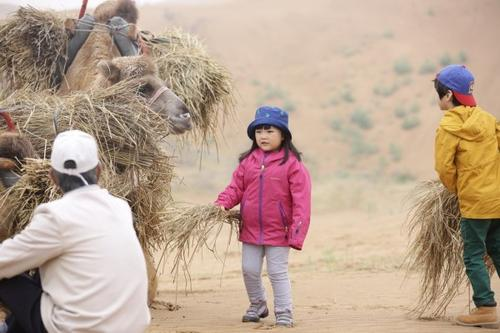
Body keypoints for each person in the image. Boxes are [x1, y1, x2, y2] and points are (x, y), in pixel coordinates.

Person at [0, 130, 150, 333]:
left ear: (52, 176)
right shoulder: (121, 208)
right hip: (133, 326)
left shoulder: (54, 216)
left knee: (10, 275)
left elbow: (4, 261)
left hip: (78, 329)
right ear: (99, 171)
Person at [215, 106, 311, 327]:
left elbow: (302, 203)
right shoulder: (248, 162)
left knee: (277, 272)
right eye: (259, 131)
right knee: (249, 270)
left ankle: (284, 312)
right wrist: (222, 203)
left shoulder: (293, 165)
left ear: (283, 134)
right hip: (250, 229)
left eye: (269, 131)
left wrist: (296, 234)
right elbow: (235, 188)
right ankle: (258, 304)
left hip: (280, 231)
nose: (263, 136)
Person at [434, 64, 500, 328]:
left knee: (473, 254)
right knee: (497, 248)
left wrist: (457, 189)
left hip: (474, 203)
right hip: (497, 198)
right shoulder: (488, 119)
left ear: (448, 95)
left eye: (439, 93)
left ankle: (484, 307)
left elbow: (444, 168)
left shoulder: (449, 126)